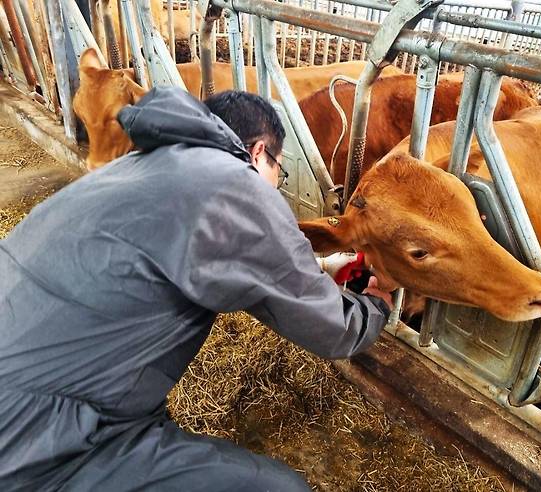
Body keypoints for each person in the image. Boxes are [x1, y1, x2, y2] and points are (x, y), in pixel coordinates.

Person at [0, 87, 392, 491]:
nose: (274, 187)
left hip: (52, 381)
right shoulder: (235, 185)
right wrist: (373, 308)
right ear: (259, 153)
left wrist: (320, 266)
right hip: (38, 437)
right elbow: (331, 327)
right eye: (280, 172)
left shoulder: (142, 165)